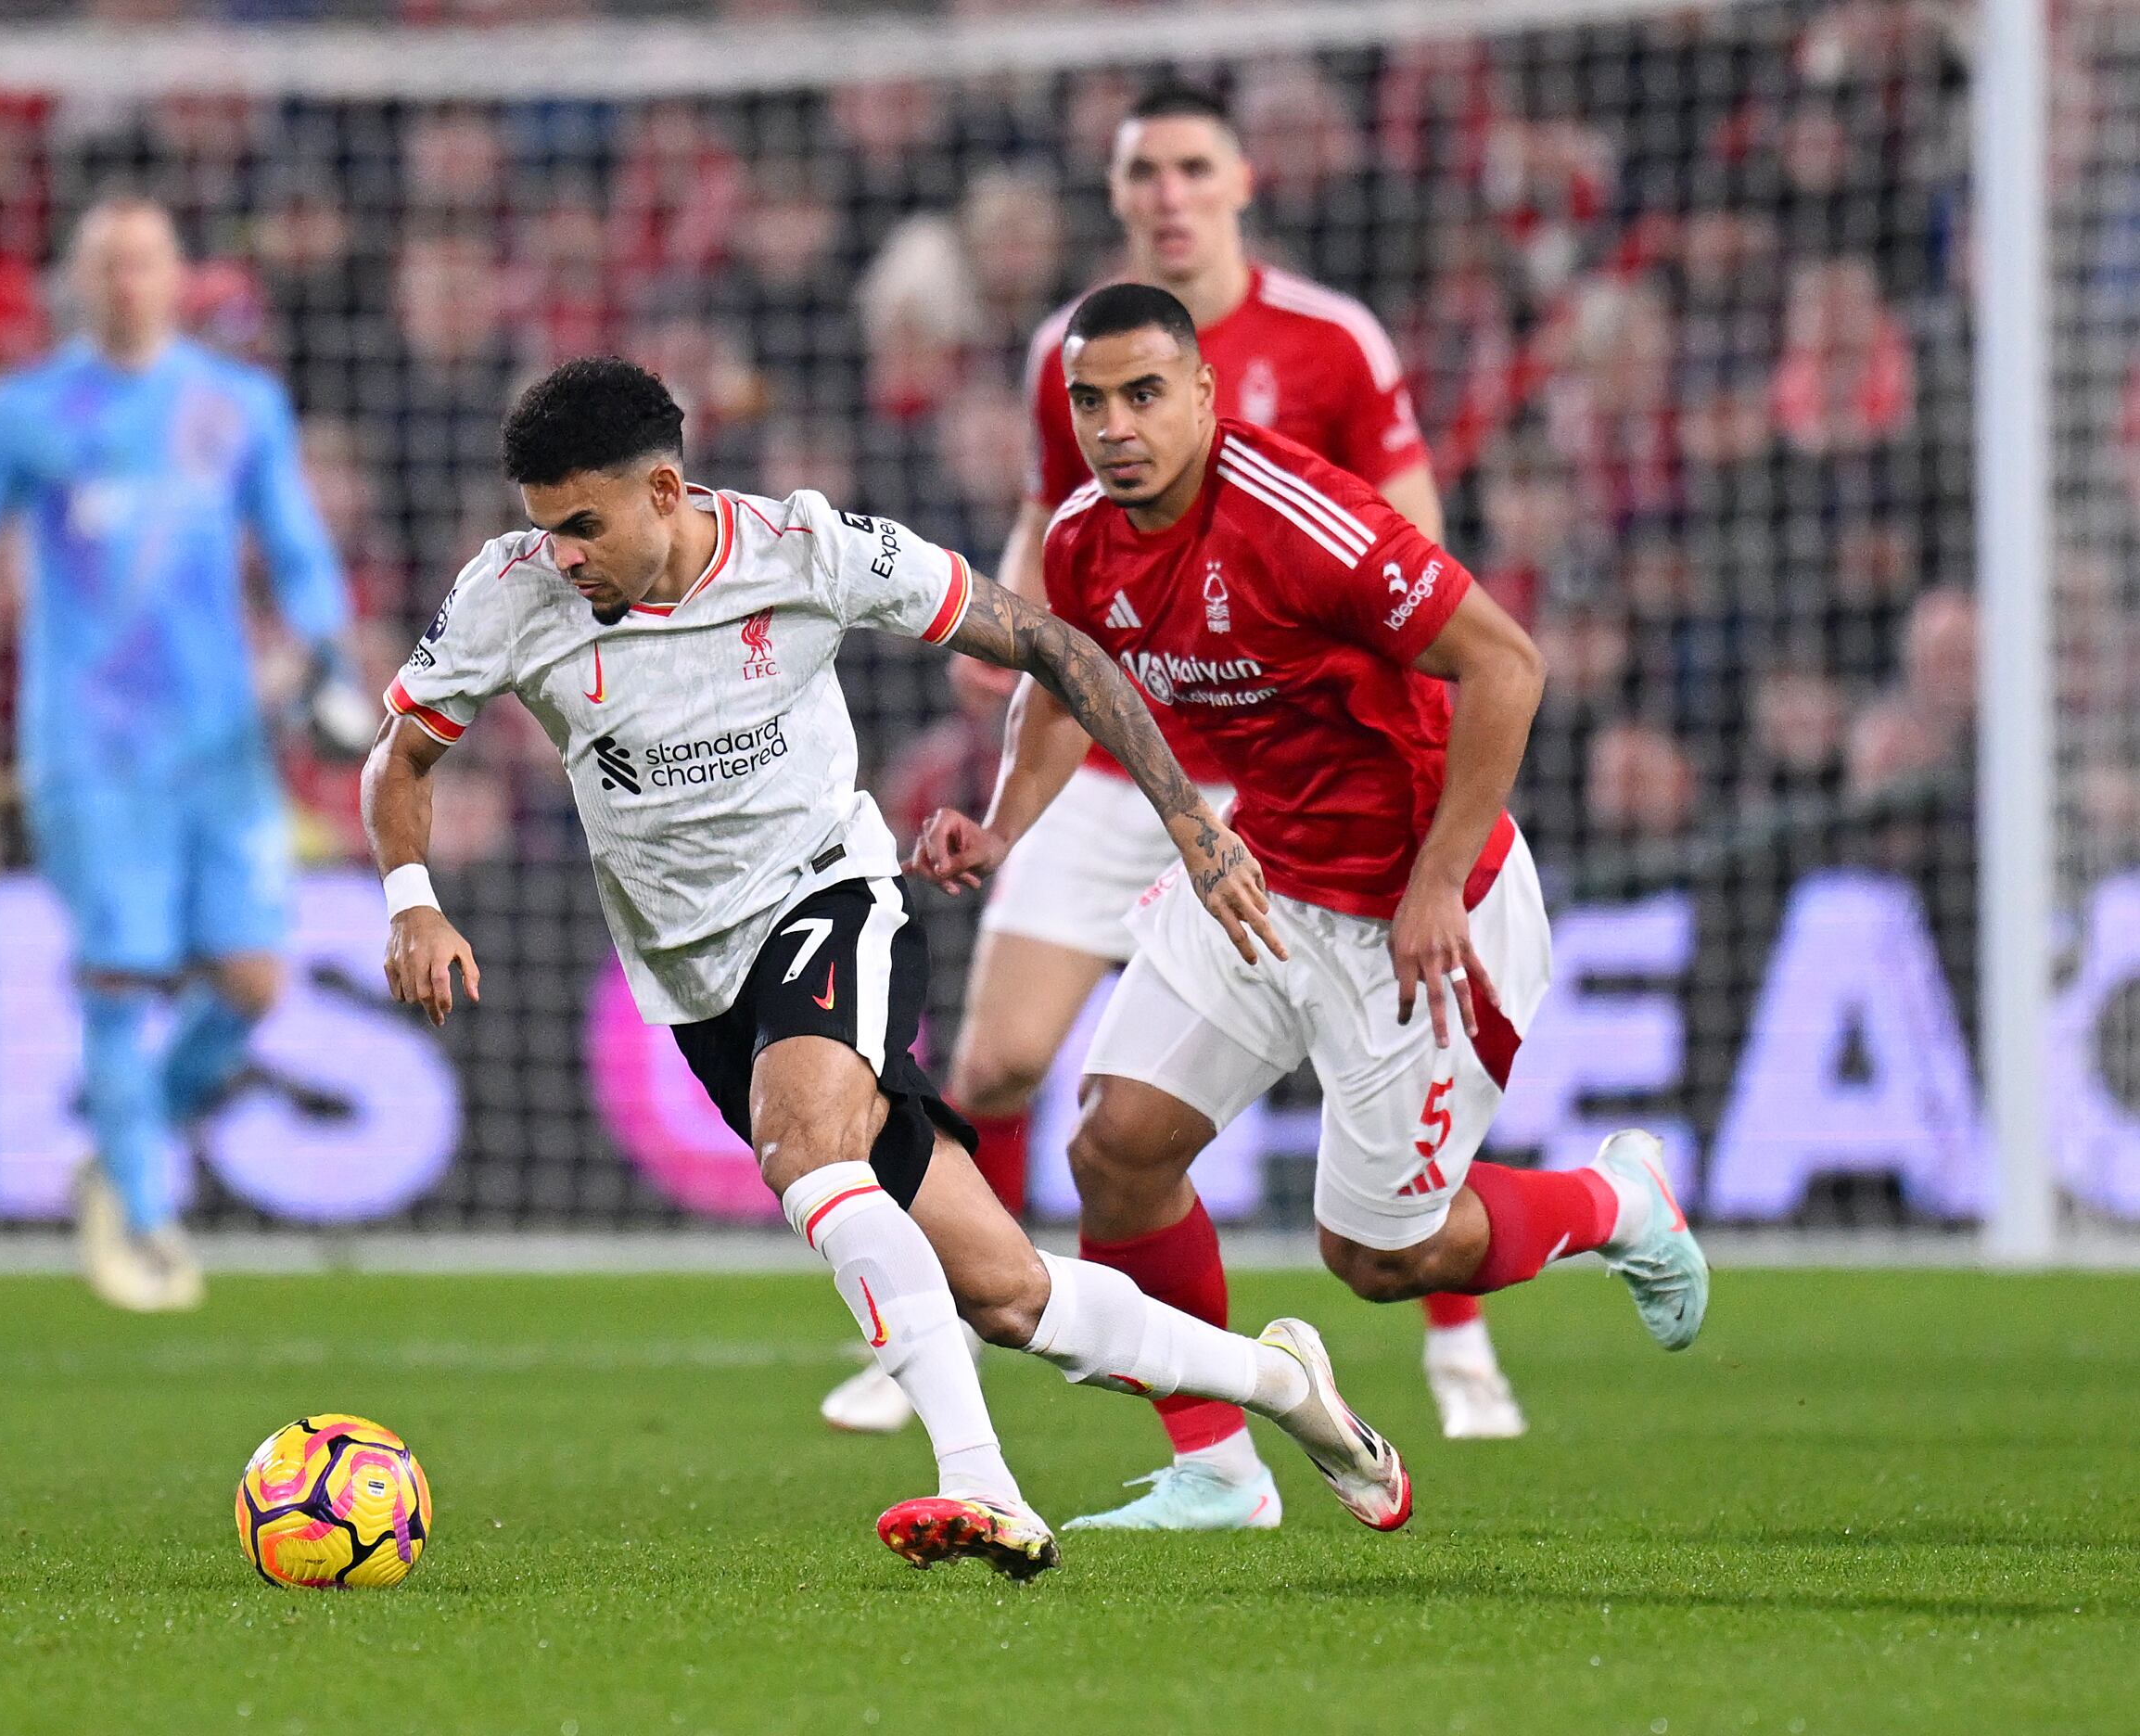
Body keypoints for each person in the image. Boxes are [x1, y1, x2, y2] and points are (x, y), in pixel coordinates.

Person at [362, 356, 1412, 1579]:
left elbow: (1053, 645)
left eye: (584, 526)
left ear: (665, 488)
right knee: (1010, 1295)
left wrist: (1186, 817)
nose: (564, 556)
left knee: (804, 1139)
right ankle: (1282, 1383)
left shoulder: (809, 551)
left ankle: (982, 1487)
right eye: (546, 530)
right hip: (696, 982)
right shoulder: (510, 594)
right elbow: (403, 759)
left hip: (832, 898)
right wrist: (412, 902)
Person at [909, 286, 1709, 1525]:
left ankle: (1620, 1206)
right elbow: (1064, 683)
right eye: (1090, 401)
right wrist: (1005, 825)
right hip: (1264, 875)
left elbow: (1507, 664)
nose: (1116, 426)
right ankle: (1217, 1466)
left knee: (1381, 1258)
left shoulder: (1303, 521)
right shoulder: (1079, 538)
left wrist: (1436, 881)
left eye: (1144, 394)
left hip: (1425, 906)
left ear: (1206, 397)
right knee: (1116, 1149)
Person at [817, 77, 1522, 1471]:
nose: (1168, 194)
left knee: (1382, 1184)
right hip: (1127, 753)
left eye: (1193, 166)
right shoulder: (1068, 361)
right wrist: (1003, 646)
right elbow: (1047, 536)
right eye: (1143, 172)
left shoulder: (1329, 343)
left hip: (1302, 772)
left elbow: (1426, 565)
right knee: (1017, 1068)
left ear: (1241, 181)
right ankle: (1043, 1366)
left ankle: (1460, 1324)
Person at [0, 198, 376, 1312]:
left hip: (220, 740)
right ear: (78, 284)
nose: (126, 282)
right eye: (105, 264)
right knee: (123, 976)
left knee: (252, 980)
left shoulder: (236, 406)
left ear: (179, 275)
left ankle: (119, 1145)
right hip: (90, 747)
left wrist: (333, 660)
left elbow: (293, 542)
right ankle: (144, 1220)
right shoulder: (26, 414)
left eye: (144, 260)